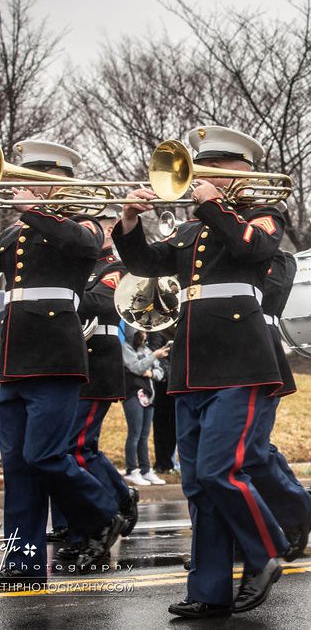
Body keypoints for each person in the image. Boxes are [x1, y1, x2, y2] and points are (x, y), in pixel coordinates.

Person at [112, 125, 289, 620]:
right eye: (201, 167)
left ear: (245, 173)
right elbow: (148, 264)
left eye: (216, 169)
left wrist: (214, 205)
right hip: (192, 363)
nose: (201, 178)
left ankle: (267, 549)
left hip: (241, 359)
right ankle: (208, 590)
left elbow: (253, 250)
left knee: (219, 470)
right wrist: (129, 223)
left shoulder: (265, 214)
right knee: (196, 484)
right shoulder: (190, 228)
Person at [0, 140, 124, 589]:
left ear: (58, 186)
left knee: (45, 454)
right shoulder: (15, 233)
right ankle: (22, 560)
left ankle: (102, 510)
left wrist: (35, 212)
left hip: (54, 354)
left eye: (32, 182)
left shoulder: (84, 225)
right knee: (17, 465)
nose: (21, 190)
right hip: (11, 357)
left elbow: (80, 243)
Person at [49, 203, 139, 559]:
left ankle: (110, 506)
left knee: (78, 445)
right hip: (70, 360)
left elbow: (100, 303)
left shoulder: (116, 267)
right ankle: (113, 501)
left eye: (98, 223)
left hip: (98, 361)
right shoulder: (76, 265)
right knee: (77, 446)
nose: (88, 229)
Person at [244, 249, 311, 561]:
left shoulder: (281, 259)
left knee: (252, 449)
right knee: (221, 454)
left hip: (258, 348)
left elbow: (266, 293)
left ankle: (295, 508)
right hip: (213, 351)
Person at [121, 328, 168, 486]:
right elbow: (136, 367)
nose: (145, 335)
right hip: (133, 395)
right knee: (134, 433)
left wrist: (151, 372)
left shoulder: (146, 349)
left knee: (144, 435)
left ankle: (146, 470)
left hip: (150, 395)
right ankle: (132, 470)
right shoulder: (126, 348)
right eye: (142, 332)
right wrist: (153, 357)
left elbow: (160, 372)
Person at [150, 326, 177, 473]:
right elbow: (156, 352)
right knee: (162, 423)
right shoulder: (159, 329)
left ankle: (168, 462)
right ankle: (162, 462)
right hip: (163, 382)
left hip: (175, 380)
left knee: (173, 424)